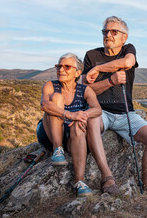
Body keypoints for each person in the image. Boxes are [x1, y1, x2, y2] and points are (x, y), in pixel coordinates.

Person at [82, 16, 147, 191]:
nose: (108, 34)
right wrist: (111, 80)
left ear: (124, 37)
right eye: (105, 31)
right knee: (91, 121)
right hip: (100, 111)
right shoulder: (91, 55)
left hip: (126, 114)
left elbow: (128, 63)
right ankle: (107, 178)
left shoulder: (128, 49)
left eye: (114, 31)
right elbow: (85, 90)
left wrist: (98, 68)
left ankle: (146, 185)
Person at [37, 52, 119, 197]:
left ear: (77, 73)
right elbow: (44, 105)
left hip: (72, 139)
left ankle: (79, 181)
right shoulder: (50, 85)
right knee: (56, 98)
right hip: (50, 133)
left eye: (67, 67)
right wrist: (71, 115)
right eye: (59, 66)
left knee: (79, 126)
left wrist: (83, 115)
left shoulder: (84, 90)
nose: (61, 70)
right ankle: (58, 149)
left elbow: (97, 109)